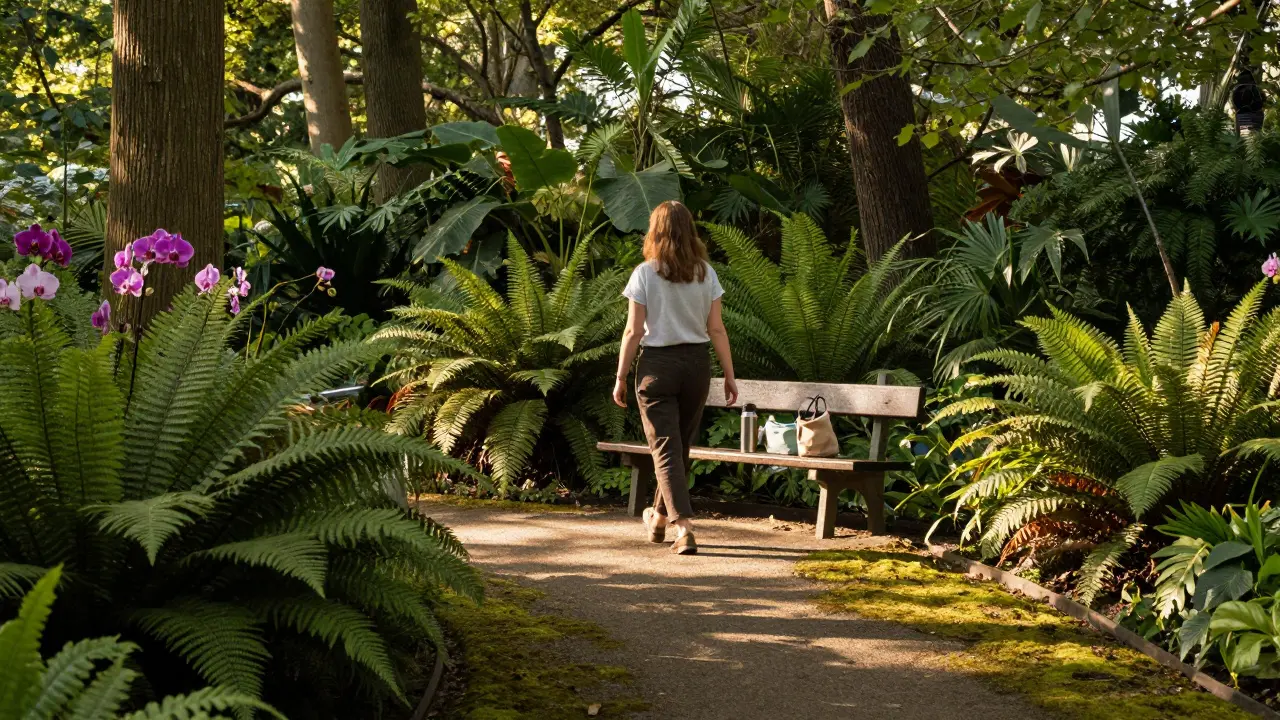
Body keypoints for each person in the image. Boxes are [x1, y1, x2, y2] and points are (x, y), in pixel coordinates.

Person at [612, 201, 738, 555]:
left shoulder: (644, 273)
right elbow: (716, 329)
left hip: (658, 367)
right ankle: (657, 519)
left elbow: (632, 332)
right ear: (689, 230)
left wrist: (621, 376)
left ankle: (683, 527)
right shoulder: (705, 273)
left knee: (666, 448)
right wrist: (729, 374)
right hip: (697, 365)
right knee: (677, 447)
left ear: (655, 231)